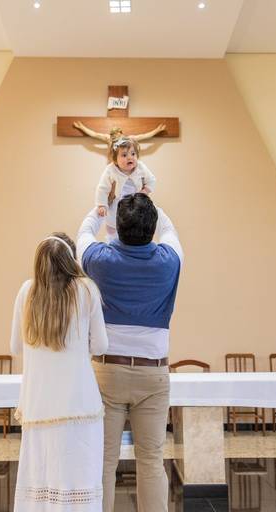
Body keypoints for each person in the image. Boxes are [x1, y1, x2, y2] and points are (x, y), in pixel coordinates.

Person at [77, 194, 183, 512]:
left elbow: (83, 234)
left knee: (104, 460)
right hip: (153, 374)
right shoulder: (170, 261)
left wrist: (101, 209)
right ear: (151, 227)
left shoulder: (100, 260)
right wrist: (153, 204)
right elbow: (170, 230)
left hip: (107, 373)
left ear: (118, 227)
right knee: (151, 460)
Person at [10, 232, 109, 511]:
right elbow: (101, 345)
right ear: (71, 260)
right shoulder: (86, 290)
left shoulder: (26, 291)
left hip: (38, 406)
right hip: (79, 404)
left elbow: (15, 346)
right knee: (80, 477)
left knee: (41, 480)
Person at [95, 137, 157, 241]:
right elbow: (102, 188)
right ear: (115, 160)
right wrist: (102, 205)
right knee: (113, 225)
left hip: (135, 203)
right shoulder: (111, 170)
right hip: (117, 203)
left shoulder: (140, 167)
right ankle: (112, 241)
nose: (130, 158)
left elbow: (151, 180)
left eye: (133, 154)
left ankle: (134, 242)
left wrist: (145, 191)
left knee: (136, 223)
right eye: (124, 155)